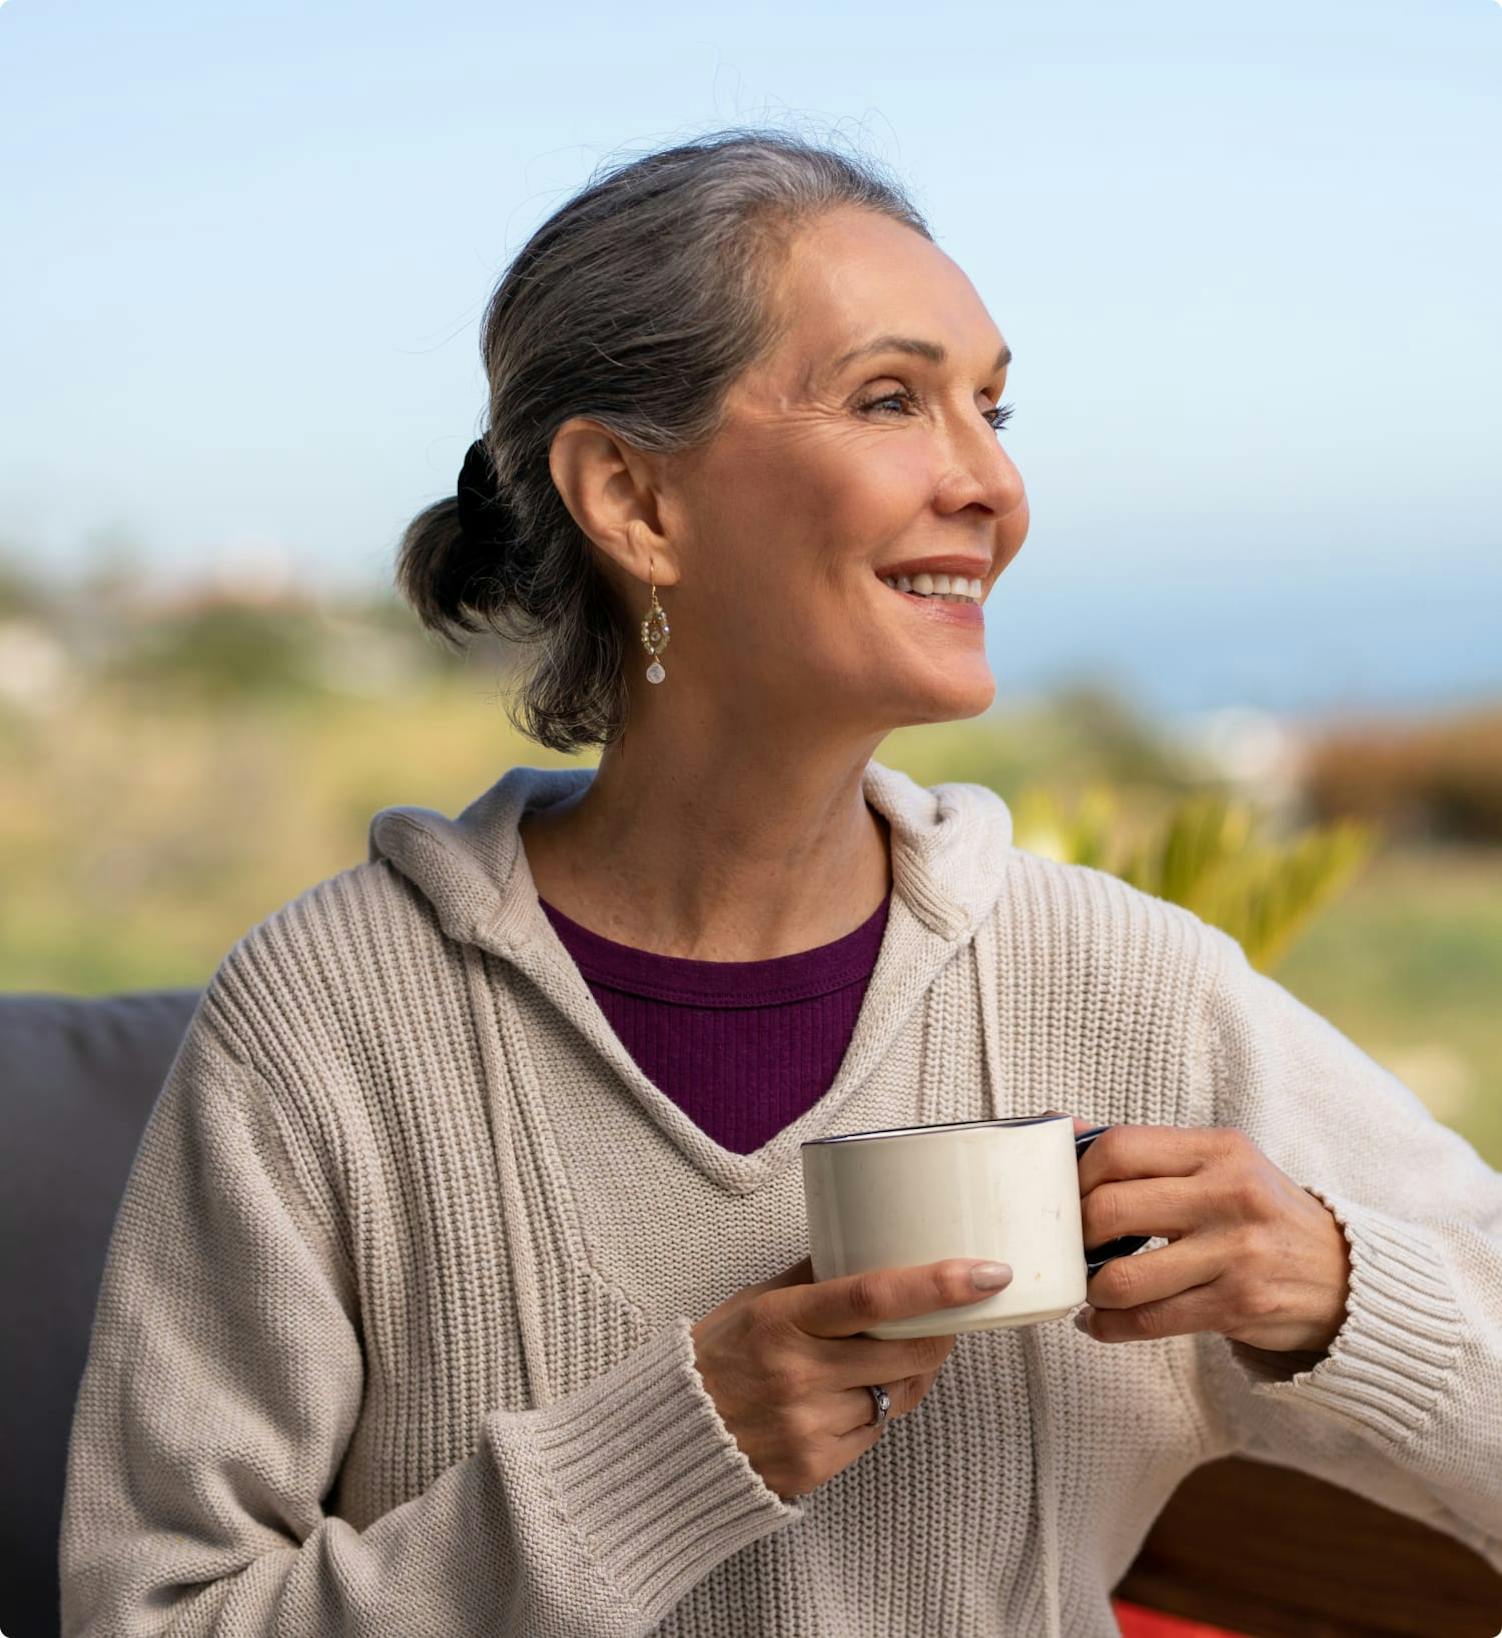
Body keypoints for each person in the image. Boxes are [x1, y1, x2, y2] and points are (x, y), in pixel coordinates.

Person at [59, 128, 1502, 1638]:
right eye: (891, 400)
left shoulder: (1132, 986)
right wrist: (663, 1461)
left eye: (992, 409)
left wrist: (1343, 1292)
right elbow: (149, 1616)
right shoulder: (331, 1015)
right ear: (631, 498)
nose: (993, 485)